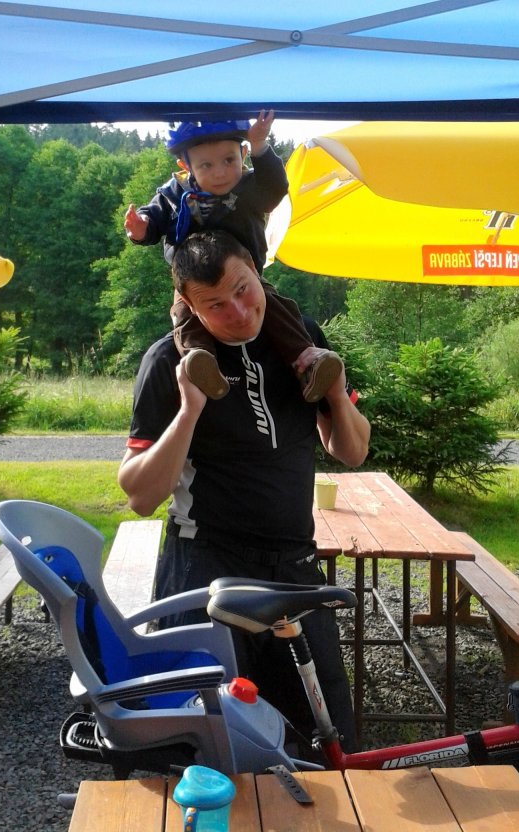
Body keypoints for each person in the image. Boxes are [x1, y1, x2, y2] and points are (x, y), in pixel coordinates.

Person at [118, 230, 371, 753]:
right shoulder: (168, 362)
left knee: (328, 739)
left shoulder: (299, 339)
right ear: (188, 305)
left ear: (256, 270)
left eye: (242, 289)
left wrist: (335, 395)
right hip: (207, 571)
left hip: (295, 568)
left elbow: (352, 450)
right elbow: (139, 495)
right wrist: (189, 412)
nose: (238, 311)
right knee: (209, 746)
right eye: (215, 304)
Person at [123, 111, 342, 403]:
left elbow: (275, 189)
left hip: (243, 276)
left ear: (243, 154)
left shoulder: (250, 188)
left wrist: (260, 146)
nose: (220, 173)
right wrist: (142, 227)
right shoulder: (175, 193)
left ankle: (307, 359)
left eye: (229, 160)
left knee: (277, 307)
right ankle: (200, 361)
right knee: (184, 314)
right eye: (206, 165)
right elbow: (155, 216)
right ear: (185, 166)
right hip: (195, 283)